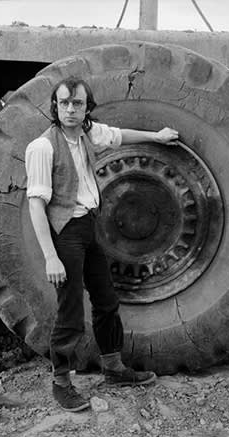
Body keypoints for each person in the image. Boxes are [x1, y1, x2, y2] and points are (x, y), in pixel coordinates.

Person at [25, 76, 180, 412]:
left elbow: (119, 135)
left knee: (107, 300)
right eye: (64, 103)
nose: (70, 109)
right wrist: (51, 256)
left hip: (89, 227)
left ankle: (113, 368)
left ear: (86, 107)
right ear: (55, 106)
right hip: (65, 233)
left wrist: (157, 136)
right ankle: (62, 383)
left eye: (77, 103)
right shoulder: (42, 147)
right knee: (70, 311)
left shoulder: (87, 133)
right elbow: (36, 204)